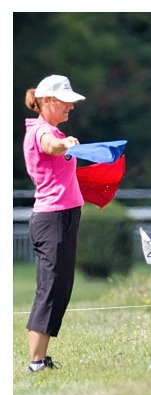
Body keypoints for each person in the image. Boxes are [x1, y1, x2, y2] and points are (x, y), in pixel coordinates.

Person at [22, 75, 87, 373]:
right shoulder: (41, 132)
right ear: (47, 101)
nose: (71, 107)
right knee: (49, 289)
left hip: (62, 217)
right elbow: (50, 146)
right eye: (66, 102)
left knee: (59, 288)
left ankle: (42, 359)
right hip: (53, 220)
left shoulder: (49, 129)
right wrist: (64, 144)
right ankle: (36, 363)